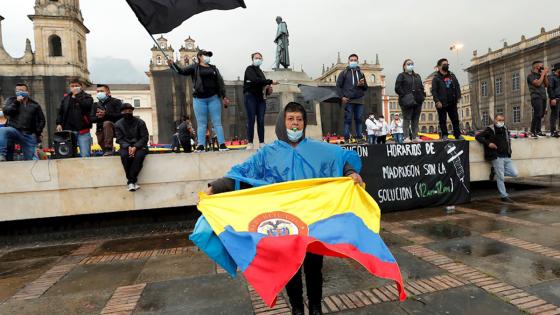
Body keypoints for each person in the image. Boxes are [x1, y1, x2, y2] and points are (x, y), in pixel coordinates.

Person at [205, 102, 363, 315]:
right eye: (291, 119)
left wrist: (351, 173)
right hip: (284, 223)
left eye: (299, 119)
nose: (295, 124)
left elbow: (340, 160)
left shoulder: (319, 149)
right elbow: (242, 173)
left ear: (304, 123)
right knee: (290, 268)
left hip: (313, 220)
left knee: (314, 265)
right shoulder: (268, 153)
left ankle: (316, 308)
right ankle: (297, 309)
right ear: (283, 121)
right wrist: (216, 187)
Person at [168, 50, 230, 152]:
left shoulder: (214, 68)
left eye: (209, 55)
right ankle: (201, 146)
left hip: (214, 98)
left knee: (217, 122)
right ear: (199, 56)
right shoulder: (194, 67)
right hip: (199, 100)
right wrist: (172, 65)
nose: (208, 57)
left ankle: (222, 145)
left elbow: (220, 83)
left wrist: (224, 97)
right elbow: (181, 71)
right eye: (206, 55)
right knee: (201, 123)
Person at [475, 114, 518, 203]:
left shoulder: (505, 129)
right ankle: (504, 196)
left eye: (502, 120)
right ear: (495, 120)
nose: (500, 122)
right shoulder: (490, 129)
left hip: (506, 156)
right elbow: (478, 137)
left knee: (514, 173)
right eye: (499, 120)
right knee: (501, 177)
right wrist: (488, 143)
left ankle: (495, 171)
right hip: (497, 156)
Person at [0, 83, 46, 161]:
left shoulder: (35, 105)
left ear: (27, 92)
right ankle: (1, 154)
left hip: (28, 134)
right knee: (2, 130)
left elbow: (42, 120)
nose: (20, 92)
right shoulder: (11, 100)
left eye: (22, 90)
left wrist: (37, 132)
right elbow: (6, 112)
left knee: (31, 160)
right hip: (15, 130)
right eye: (17, 90)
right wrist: (16, 102)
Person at [243, 52, 279, 150]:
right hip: (250, 97)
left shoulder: (261, 72)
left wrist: (268, 89)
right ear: (252, 59)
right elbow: (255, 80)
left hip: (260, 98)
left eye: (260, 58)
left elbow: (262, 85)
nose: (258, 59)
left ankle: (262, 142)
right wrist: (270, 81)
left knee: (261, 120)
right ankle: (250, 142)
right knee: (251, 119)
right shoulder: (249, 69)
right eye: (256, 58)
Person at [115, 103, 149, 192]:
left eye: (129, 111)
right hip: (125, 147)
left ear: (132, 111)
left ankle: (131, 181)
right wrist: (128, 147)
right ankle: (133, 182)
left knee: (139, 156)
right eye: (125, 111)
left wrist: (136, 147)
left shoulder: (140, 122)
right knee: (124, 156)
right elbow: (119, 139)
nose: (127, 112)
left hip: (140, 146)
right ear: (121, 112)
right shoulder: (118, 124)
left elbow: (145, 137)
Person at [56, 79, 94, 157]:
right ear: (69, 87)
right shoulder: (66, 98)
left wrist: (77, 96)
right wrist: (59, 123)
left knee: (85, 155)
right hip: (68, 131)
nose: (74, 88)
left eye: (76, 86)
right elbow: (61, 112)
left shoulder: (87, 97)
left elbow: (86, 106)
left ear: (81, 86)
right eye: (72, 86)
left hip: (83, 131)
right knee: (69, 155)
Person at [336, 53, 368, 143]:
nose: (353, 61)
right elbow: (338, 86)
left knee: (359, 119)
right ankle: (346, 138)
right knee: (348, 119)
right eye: (351, 60)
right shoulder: (343, 73)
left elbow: (366, 88)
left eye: (355, 60)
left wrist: (362, 84)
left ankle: (359, 137)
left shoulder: (361, 73)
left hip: (359, 100)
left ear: (357, 61)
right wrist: (342, 97)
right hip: (348, 100)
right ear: (348, 61)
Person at [395, 59, 426, 142]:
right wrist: (404, 95)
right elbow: (397, 88)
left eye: (412, 64)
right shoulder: (401, 75)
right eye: (408, 64)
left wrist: (423, 96)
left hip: (417, 100)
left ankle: (415, 136)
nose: (410, 65)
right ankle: (406, 137)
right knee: (407, 118)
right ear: (404, 66)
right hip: (407, 101)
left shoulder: (417, 76)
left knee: (415, 119)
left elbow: (421, 87)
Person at [431, 58, 462, 141]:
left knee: (455, 119)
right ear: (439, 66)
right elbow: (434, 91)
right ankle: (444, 135)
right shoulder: (436, 78)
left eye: (447, 64)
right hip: (441, 102)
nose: (446, 66)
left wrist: (458, 96)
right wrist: (437, 101)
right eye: (444, 64)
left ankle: (457, 134)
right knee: (442, 120)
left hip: (452, 101)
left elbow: (457, 86)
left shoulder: (452, 75)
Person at [90, 84, 123, 156]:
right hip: (100, 128)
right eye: (98, 91)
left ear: (108, 92)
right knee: (103, 146)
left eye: (101, 91)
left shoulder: (116, 101)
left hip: (115, 127)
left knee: (107, 123)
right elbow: (91, 119)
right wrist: (99, 117)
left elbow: (121, 115)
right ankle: (109, 150)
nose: (99, 93)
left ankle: (109, 148)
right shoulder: (95, 105)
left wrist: (106, 115)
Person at [527, 61, 549, 138]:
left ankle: (538, 131)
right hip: (536, 96)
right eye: (542, 66)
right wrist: (543, 74)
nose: (543, 68)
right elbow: (537, 83)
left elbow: (546, 84)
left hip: (543, 97)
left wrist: (545, 75)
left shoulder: (541, 75)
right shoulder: (530, 76)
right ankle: (532, 131)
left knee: (541, 114)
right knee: (537, 113)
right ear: (537, 67)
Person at [547, 63, 560, 137]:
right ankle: (553, 130)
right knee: (554, 115)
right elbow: (550, 88)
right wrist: (552, 98)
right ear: (558, 70)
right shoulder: (551, 77)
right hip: (555, 98)